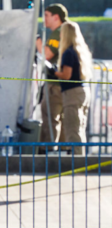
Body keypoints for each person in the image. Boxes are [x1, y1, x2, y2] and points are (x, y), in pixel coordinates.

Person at [54, 21, 92, 155]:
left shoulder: (68, 53)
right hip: (83, 91)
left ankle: (75, 161)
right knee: (80, 127)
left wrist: (54, 72)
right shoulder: (80, 51)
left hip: (72, 93)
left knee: (72, 128)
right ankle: (80, 157)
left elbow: (66, 75)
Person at [36, 3, 69, 149]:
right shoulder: (66, 31)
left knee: (50, 117)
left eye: (46, 16)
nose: (44, 19)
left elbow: (47, 54)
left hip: (55, 83)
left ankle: (48, 151)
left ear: (56, 17)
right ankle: (62, 152)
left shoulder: (59, 32)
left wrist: (37, 40)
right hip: (64, 83)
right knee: (61, 119)